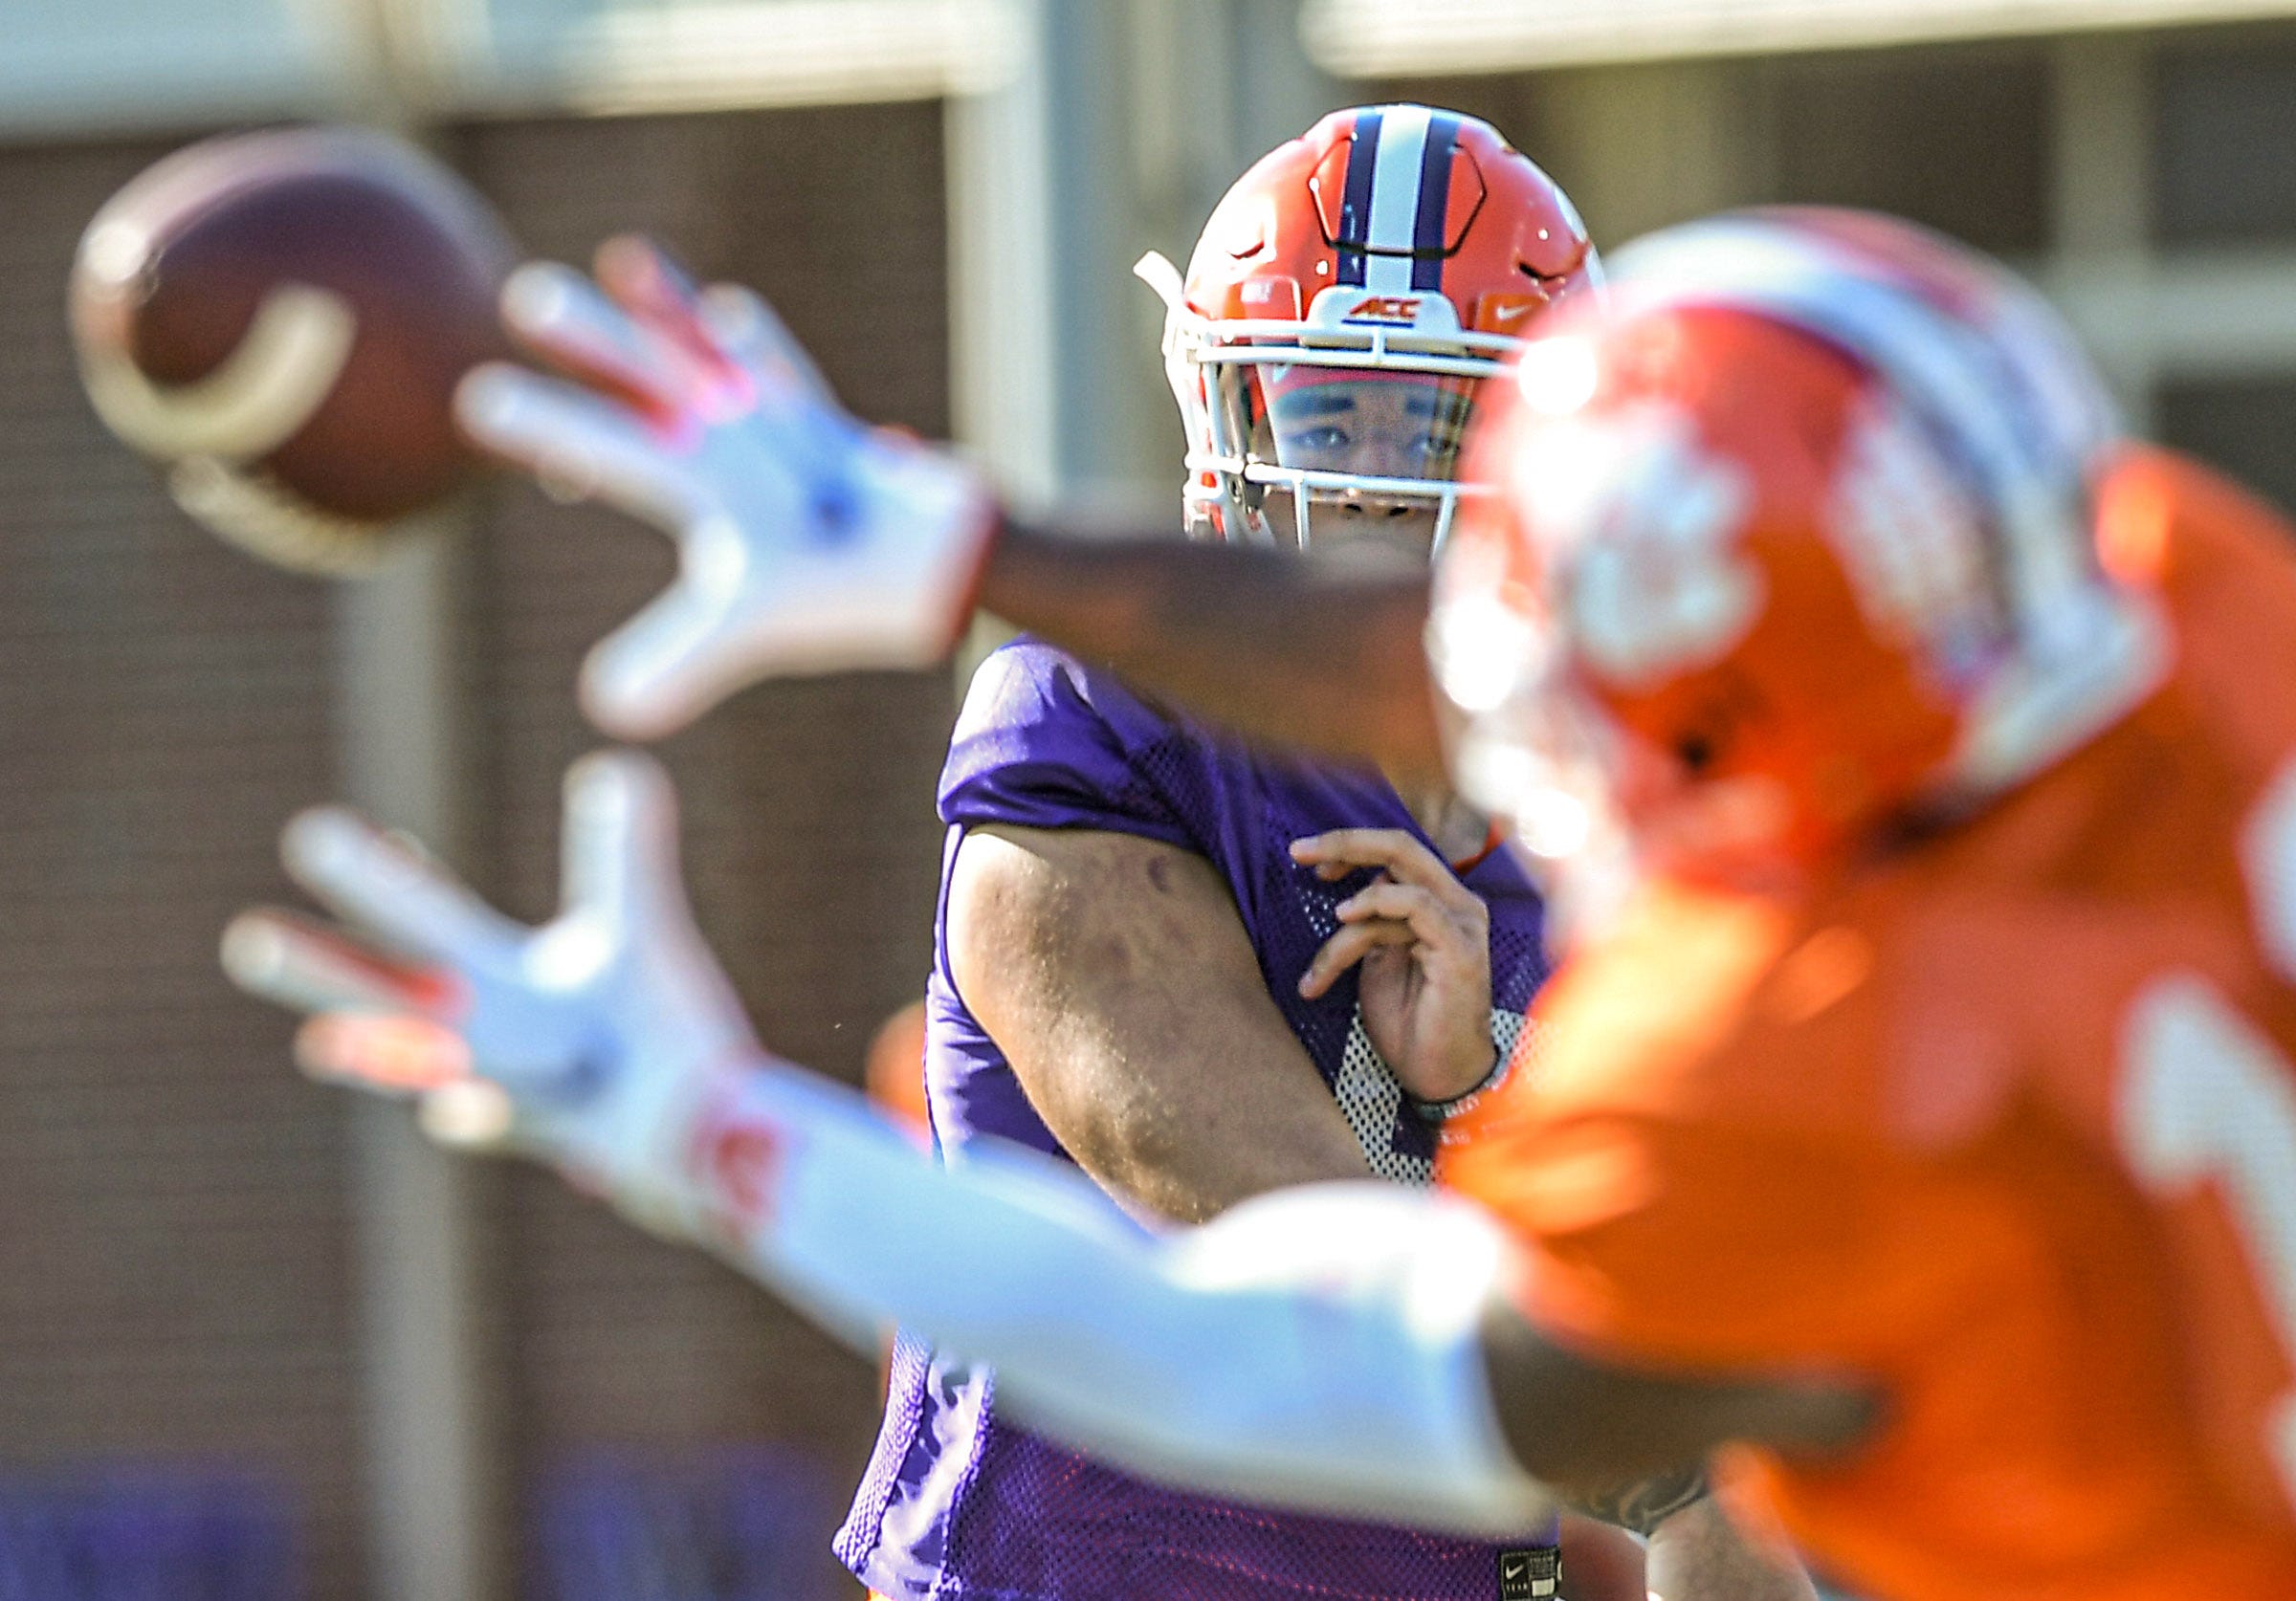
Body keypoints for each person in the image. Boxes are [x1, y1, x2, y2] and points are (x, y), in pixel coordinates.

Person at [224, 206, 2296, 1598]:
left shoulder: (1781, 1081)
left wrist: (714, 1133)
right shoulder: (2188, 620)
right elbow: (1484, 660)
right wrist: (956, 542)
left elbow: (1214, 1351)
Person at [837, 104, 1792, 1601]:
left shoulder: (1610, 811)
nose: (1368, 482)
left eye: (1435, 422)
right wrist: (1651, 1425)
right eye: (1327, 414)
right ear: (1231, 410)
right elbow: (1261, 1211)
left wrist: (1485, 1101)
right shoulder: (1097, 716)